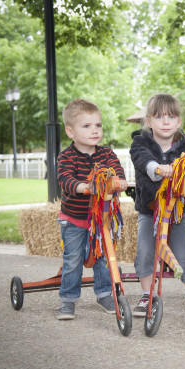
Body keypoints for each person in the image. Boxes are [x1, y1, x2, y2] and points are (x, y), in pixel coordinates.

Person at [129, 93, 185, 314]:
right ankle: (147, 295)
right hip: (149, 210)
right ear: (149, 121)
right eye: (159, 116)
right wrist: (157, 168)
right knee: (145, 251)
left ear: (178, 122)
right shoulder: (140, 142)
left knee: (181, 252)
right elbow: (141, 159)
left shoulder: (184, 147)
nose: (165, 122)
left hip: (176, 212)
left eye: (171, 117)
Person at [56, 98, 128, 320]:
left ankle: (104, 294)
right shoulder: (67, 157)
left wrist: (120, 181)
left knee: (105, 257)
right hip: (75, 219)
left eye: (98, 125)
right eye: (86, 126)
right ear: (70, 131)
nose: (94, 130)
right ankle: (68, 300)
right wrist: (81, 186)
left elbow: (116, 170)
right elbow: (64, 179)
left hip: (102, 220)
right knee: (73, 259)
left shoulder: (106, 154)